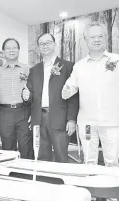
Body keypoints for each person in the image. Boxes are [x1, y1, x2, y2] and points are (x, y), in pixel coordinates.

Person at [62, 22, 119, 201]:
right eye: (92, 37)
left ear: (105, 38)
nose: (96, 39)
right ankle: (93, 197)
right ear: (85, 41)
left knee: (112, 161)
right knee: (90, 161)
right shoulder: (79, 65)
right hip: (86, 122)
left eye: (100, 36)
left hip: (112, 121)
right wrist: (67, 89)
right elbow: (69, 89)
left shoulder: (117, 60)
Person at [22, 33, 78, 162]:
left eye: (48, 42)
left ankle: (62, 181)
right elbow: (29, 93)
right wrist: (25, 96)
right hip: (39, 119)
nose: (45, 46)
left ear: (54, 44)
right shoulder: (34, 70)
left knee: (61, 155)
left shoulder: (68, 66)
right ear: (38, 48)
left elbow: (73, 96)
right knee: (41, 156)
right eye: (41, 44)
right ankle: (44, 180)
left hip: (60, 119)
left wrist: (72, 119)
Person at [0, 38, 31, 158]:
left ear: (18, 50)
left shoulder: (27, 69)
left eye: (14, 48)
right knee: (8, 147)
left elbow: (34, 90)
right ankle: (11, 173)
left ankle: (26, 174)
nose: (11, 50)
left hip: (23, 112)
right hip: (5, 113)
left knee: (25, 146)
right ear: (3, 52)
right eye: (8, 48)